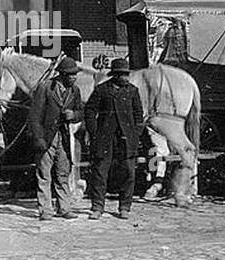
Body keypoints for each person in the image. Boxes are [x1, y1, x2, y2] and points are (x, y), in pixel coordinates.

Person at [83, 56, 145, 221]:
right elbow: (89, 111)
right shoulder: (102, 90)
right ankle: (97, 207)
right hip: (105, 138)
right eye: (122, 74)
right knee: (100, 172)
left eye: (127, 74)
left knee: (129, 173)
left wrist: (135, 133)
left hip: (126, 138)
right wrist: (94, 133)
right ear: (115, 75)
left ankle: (124, 206)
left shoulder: (132, 91)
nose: (125, 78)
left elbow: (139, 115)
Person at [26, 55, 83, 221]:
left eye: (75, 74)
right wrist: (39, 138)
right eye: (71, 74)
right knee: (44, 174)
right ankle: (46, 210)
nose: (74, 77)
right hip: (46, 137)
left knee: (63, 173)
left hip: (64, 137)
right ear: (62, 74)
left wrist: (74, 115)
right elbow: (34, 116)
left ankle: (64, 208)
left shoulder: (75, 91)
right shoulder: (46, 87)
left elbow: (81, 112)